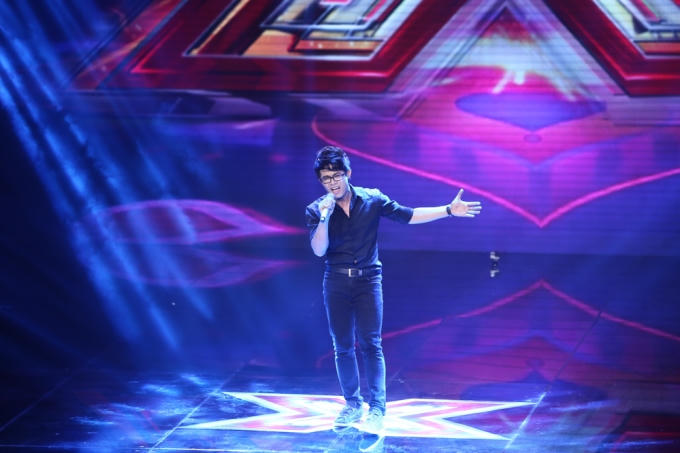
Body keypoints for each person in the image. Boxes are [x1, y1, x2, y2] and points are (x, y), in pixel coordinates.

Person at [305, 145, 481, 434]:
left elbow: (408, 215)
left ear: (348, 173)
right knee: (343, 347)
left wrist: (448, 210)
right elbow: (318, 249)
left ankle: (377, 408)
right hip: (336, 281)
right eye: (326, 178)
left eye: (337, 176)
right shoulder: (316, 209)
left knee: (371, 344)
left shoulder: (372, 199)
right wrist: (324, 216)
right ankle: (352, 404)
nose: (332, 183)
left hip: (368, 280)